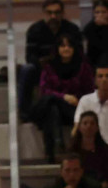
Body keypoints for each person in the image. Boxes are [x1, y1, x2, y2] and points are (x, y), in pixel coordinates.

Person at [30, 34, 94, 163]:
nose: (66, 49)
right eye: (63, 46)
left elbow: (89, 91)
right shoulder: (49, 67)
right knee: (52, 108)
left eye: (69, 46)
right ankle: (57, 145)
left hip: (75, 109)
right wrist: (64, 97)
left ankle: (52, 151)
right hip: (54, 110)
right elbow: (44, 90)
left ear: (74, 48)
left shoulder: (83, 67)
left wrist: (78, 101)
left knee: (50, 105)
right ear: (57, 48)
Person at [19, 0, 82, 115]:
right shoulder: (34, 30)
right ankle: (24, 112)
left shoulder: (72, 29)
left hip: (68, 67)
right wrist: (47, 66)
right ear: (44, 13)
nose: (53, 16)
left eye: (57, 12)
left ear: (63, 13)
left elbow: (79, 54)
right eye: (49, 12)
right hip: (42, 69)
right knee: (26, 69)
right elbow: (30, 56)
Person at [69, 110, 108, 184]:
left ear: (97, 127)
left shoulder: (105, 150)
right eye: (85, 123)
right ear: (79, 127)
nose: (89, 126)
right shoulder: (73, 150)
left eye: (92, 123)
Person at [73, 64, 108, 143]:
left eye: (107, 76)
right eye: (100, 76)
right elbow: (77, 125)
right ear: (95, 80)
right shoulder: (85, 100)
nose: (104, 79)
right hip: (92, 147)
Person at [83, 0, 108, 69]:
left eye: (104, 12)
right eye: (97, 12)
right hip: (95, 61)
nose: (100, 15)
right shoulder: (90, 28)